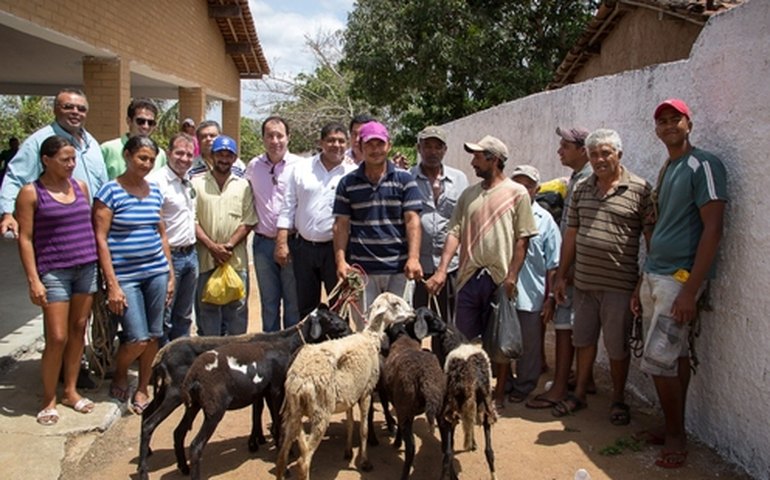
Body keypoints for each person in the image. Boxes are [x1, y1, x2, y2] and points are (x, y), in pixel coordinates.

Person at [631, 99, 727, 469]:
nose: (669, 126)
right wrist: (644, 276)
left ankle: (675, 437)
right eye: (662, 121)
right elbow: (660, 226)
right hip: (656, 274)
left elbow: (713, 229)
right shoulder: (669, 167)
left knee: (658, 360)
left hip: (679, 280)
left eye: (676, 119)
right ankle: (673, 425)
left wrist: (690, 290)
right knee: (674, 357)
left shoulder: (703, 164)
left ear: (689, 123)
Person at [426, 135, 538, 407]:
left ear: (494, 159)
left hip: (499, 279)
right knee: (462, 339)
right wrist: (442, 270)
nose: (473, 162)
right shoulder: (469, 195)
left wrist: (512, 276)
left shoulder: (517, 193)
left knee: (498, 339)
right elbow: (454, 232)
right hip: (467, 277)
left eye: (478, 157)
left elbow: (523, 238)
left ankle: (496, 395)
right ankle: (463, 393)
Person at [551, 129, 653, 424]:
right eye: (594, 154)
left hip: (619, 286)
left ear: (619, 154)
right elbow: (571, 234)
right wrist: (561, 275)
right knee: (583, 340)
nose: (599, 159)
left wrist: (641, 283)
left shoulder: (640, 189)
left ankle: (618, 399)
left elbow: (651, 241)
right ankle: (580, 393)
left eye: (605, 153)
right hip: (583, 283)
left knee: (617, 346)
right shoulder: (582, 188)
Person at [15, 136, 99, 425]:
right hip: (54, 272)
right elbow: (25, 239)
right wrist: (33, 280)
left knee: (78, 330)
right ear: (46, 160)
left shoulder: (80, 187)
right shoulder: (31, 193)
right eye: (65, 159)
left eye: (73, 159)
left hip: (86, 268)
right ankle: (48, 397)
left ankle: (71, 391)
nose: (71, 164)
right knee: (57, 337)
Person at [93, 136, 174, 414]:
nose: (147, 164)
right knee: (136, 336)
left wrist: (170, 274)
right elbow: (101, 239)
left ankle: (142, 387)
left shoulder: (153, 192)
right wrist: (112, 284)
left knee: (154, 334)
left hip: (156, 273)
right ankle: (120, 372)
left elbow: (161, 234)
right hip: (126, 277)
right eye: (142, 158)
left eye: (151, 159)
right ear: (127, 156)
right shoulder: (109, 192)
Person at [526, 126, 594, 410]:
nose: (559, 151)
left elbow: (575, 231)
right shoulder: (577, 178)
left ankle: (561, 388)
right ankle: (582, 380)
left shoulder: (584, 181)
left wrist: (562, 273)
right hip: (577, 265)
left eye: (565, 146)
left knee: (565, 325)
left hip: (575, 267)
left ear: (582, 150)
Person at [333, 121, 423, 329]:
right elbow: (341, 225)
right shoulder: (347, 183)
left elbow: (412, 220)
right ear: (360, 147)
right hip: (363, 272)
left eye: (380, 144)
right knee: (368, 331)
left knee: (399, 331)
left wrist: (414, 258)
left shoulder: (405, 180)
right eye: (370, 144)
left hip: (399, 269)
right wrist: (340, 261)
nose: (375, 149)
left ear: (388, 146)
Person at [1, 88, 107, 238]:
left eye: (81, 109)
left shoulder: (92, 143)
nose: (76, 112)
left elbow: (102, 182)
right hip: (58, 231)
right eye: (68, 107)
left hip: (91, 230)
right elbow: (15, 178)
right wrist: (7, 213)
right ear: (55, 110)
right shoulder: (37, 142)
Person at [276, 122, 355, 319]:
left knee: (339, 308)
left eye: (341, 141)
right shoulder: (302, 169)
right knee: (305, 309)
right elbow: (288, 206)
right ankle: (309, 350)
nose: (336, 145)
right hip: (303, 250)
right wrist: (282, 242)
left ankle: (338, 349)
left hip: (336, 251)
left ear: (348, 143)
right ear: (321, 142)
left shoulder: (354, 173)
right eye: (330, 140)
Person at [193, 135, 257, 336]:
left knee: (236, 311)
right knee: (208, 311)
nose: (224, 159)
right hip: (206, 259)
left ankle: (236, 360)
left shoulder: (243, 185)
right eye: (220, 154)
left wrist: (227, 246)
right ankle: (209, 358)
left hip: (235, 260)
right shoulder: (196, 184)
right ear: (211, 156)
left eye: (229, 155)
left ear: (235, 158)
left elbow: (248, 220)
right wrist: (212, 247)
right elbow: (192, 220)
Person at [507, 165, 561, 404]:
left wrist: (550, 299)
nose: (522, 189)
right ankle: (506, 381)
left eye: (527, 185)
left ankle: (524, 384)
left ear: (536, 190)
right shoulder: (503, 215)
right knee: (501, 339)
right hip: (503, 292)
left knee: (529, 344)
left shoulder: (546, 220)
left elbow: (554, 264)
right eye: (517, 183)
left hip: (532, 294)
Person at [246, 116, 301, 332]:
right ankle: (269, 352)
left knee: (292, 303)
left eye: (279, 135)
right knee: (269, 304)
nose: (275, 140)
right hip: (262, 245)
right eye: (270, 135)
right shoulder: (253, 166)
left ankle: (292, 350)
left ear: (288, 138)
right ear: (263, 138)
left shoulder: (300, 166)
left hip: (293, 243)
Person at [410, 125, 468, 321]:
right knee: (413, 322)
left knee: (445, 324)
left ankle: (440, 354)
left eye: (438, 147)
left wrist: (444, 269)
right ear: (419, 148)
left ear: (445, 150)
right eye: (427, 146)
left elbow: (462, 222)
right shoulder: (407, 178)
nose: (432, 152)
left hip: (449, 266)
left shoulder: (459, 179)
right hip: (416, 267)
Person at [147, 133, 197, 344]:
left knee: (184, 316)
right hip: (168, 258)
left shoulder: (187, 180)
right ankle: (162, 364)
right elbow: (153, 226)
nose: (184, 159)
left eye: (188, 154)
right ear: (168, 153)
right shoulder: (155, 182)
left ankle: (181, 362)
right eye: (179, 153)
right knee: (164, 317)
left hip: (190, 255)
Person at [100, 98, 167, 179]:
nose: (146, 126)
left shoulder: (160, 154)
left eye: (150, 123)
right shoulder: (108, 149)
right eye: (140, 121)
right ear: (129, 121)